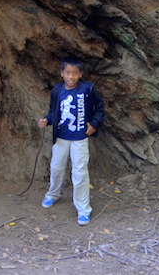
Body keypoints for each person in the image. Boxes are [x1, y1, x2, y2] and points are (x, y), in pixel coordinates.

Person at [37, 56, 106, 226]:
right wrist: (46, 120)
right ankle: (53, 194)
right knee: (56, 167)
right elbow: (54, 112)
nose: (71, 77)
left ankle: (83, 209)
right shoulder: (57, 91)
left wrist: (94, 124)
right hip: (61, 138)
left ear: (80, 74)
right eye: (67, 73)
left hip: (79, 139)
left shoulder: (87, 89)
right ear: (62, 73)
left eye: (75, 73)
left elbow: (100, 107)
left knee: (80, 172)